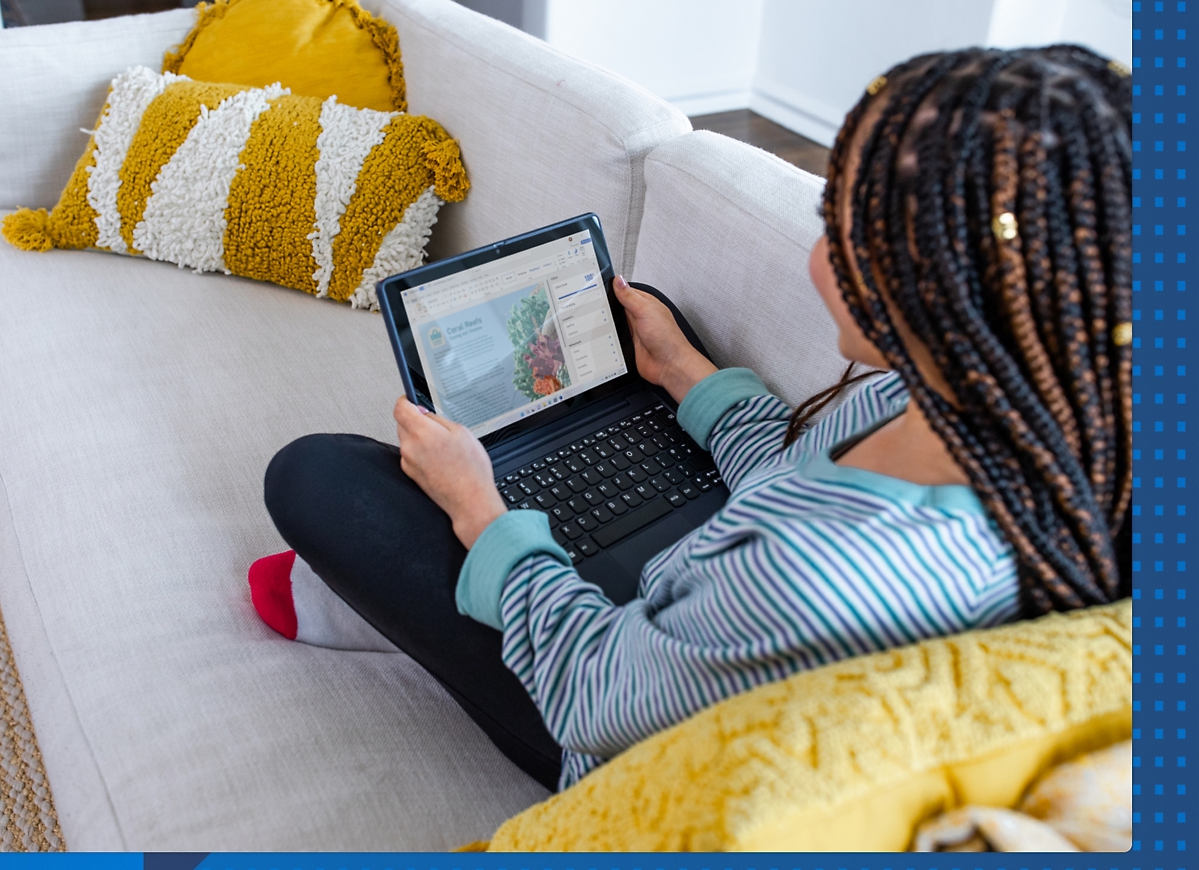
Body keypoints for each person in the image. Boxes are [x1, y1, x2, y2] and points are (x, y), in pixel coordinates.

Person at [256, 45, 1132, 793]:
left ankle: (384, 610)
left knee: (316, 475)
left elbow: (595, 697)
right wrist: (686, 373)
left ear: (939, 286)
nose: (820, 249)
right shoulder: (1002, 408)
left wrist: (478, 511)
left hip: (606, 707)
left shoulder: (822, 573)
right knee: (643, 328)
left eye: (842, 221)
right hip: (711, 617)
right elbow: (800, 479)